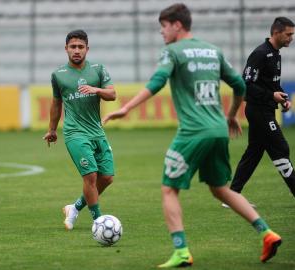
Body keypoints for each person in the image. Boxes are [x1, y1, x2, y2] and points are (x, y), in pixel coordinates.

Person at [103, 4, 281, 268]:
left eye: (163, 26)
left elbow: (157, 82)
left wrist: (126, 108)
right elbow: (240, 85)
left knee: (169, 189)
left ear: (177, 25)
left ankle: (181, 251)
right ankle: (267, 233)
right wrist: (231, 115)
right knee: (220, 189)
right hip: (218, 129)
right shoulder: (213, 50)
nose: (162, 32)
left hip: (193, 132)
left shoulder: (173, 52)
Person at [43, 29, 117, 230]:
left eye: (80, 47)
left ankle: (74, 208)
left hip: (97, 131)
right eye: (73, 47)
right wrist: (52, 129)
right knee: (91, 176)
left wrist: (97, 90)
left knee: (107, 178)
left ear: (87, 49)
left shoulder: (98, 69)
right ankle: (99, 222)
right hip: (75, 133)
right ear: (66, 49)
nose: (77, 50)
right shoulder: (58, 75)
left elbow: (112, 95)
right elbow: (56, 103)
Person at [225, 17, 295, 206]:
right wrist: (271, 96)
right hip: (258, 111)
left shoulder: (275, 53)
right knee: (281, 148)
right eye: (288, 34)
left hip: (266, 109)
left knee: (254, 152)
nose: (291, 38)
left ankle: (232, 196)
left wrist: (282, 98)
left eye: (292, 34)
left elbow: (270, 83)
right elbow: (245, 85)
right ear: (276, 32)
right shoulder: (260, 53)